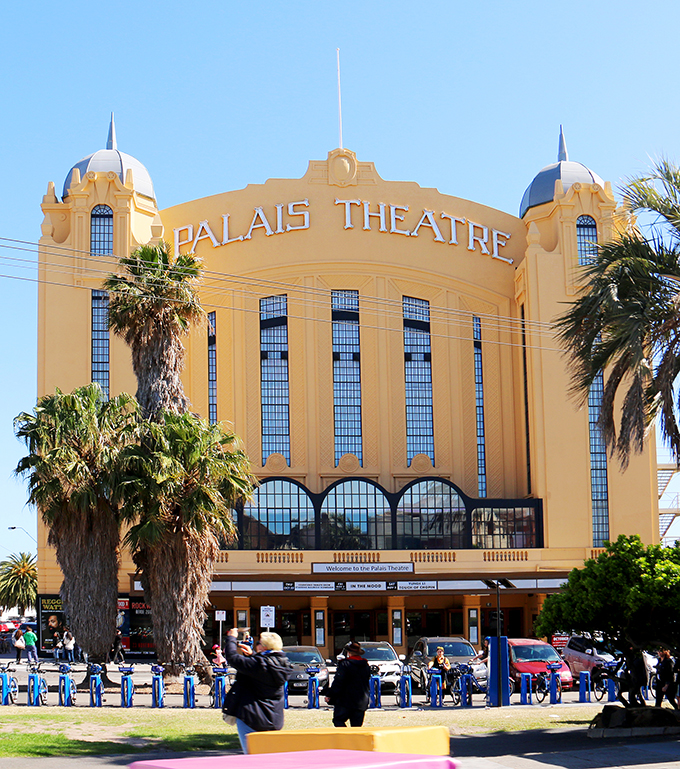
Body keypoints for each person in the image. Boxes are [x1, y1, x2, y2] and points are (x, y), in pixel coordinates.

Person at [222, 627, 292, 753]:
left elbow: (232, 658)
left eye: (258, 643)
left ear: (264, 647)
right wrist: (253, 655)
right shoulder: (281, 664)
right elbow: (264, 668)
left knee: (252, 757)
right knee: (268, 757)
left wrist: (231, 638)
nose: (256, 645)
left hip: (252, 717)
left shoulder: (258, 664)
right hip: (274, 718)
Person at [324, 641, 371, 727]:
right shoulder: (365, 665)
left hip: (345, 700)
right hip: (361, 701)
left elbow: (338, 682)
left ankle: (346, 739)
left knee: (338, 720)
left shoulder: (345, 664)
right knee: (356, 727)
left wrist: (330, 694)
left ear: (349, 653)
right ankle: (354, 740)